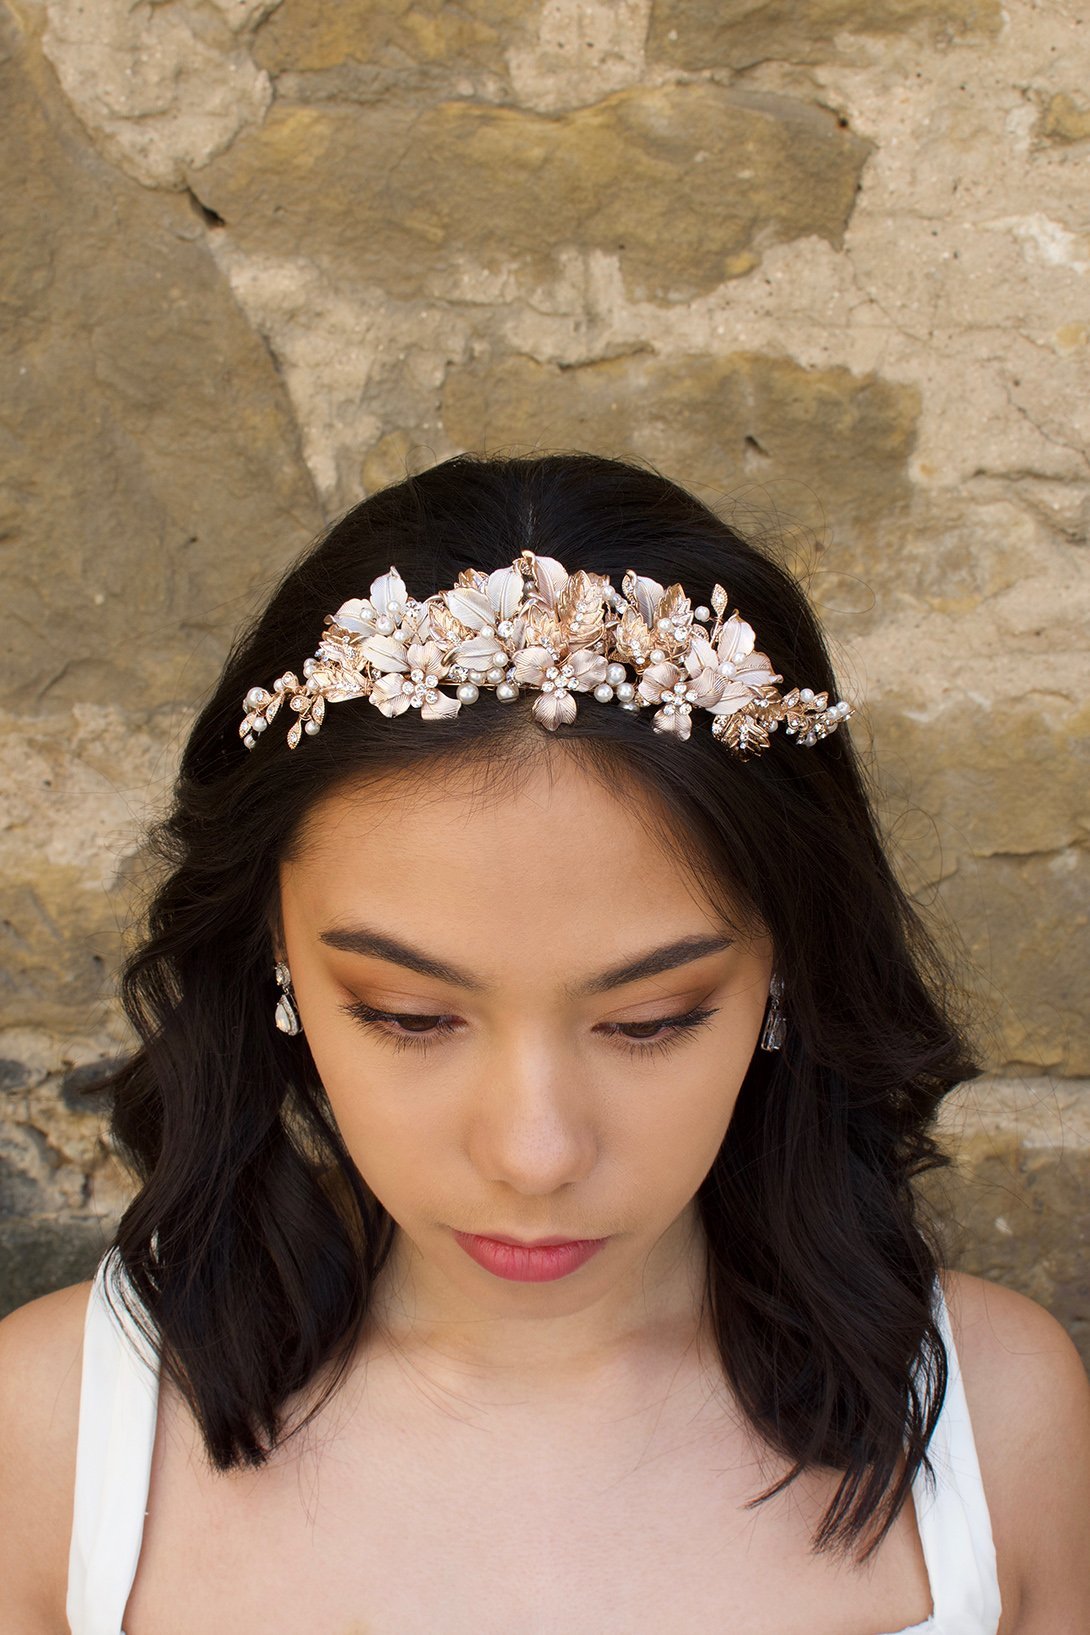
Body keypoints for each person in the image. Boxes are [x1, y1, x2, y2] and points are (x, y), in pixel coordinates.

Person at [1, 451, 1087, 1635]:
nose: (534, 1154)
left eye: (648, 1022)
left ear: (785, 970)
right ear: (275, 960)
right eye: (410, 1017)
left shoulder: (998, 1422)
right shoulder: (52, 1438)